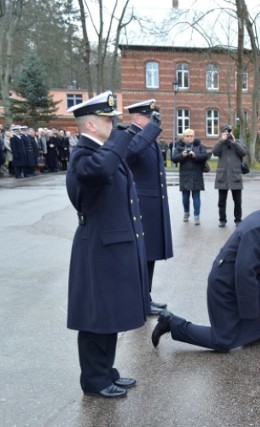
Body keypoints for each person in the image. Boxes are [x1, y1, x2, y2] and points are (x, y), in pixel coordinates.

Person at [66, 91, 162, 398]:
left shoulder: (104, 151)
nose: (115, 124)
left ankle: (107, 371)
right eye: (109, 119)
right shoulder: (84, 156)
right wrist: (124, 137)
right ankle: (94, 380)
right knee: (97, 317)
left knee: (109, 315)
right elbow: (102, 170)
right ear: (91, 126)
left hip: (113, 246)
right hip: (97, 248)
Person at [151, 188, 260, 352]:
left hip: (239, 276)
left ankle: (257, 331)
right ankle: (171, 323)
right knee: (222, 341)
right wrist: (250, 311)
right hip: (225, 284)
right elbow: (244, 272)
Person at [125, 99, 173, 315]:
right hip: (142, 206)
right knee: (141, 256)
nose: (153, 121)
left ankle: (146, 298)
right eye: (149, 117)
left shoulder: (148, 138)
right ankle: (138, 301)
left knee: (150, 254)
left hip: (153, 206)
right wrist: (152, 129)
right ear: (137, 118)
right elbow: (131, 153)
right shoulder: (127, 135)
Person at [171, 128, 210, 225]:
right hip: (185, 174)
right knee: (185, 197)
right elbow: (174, 159)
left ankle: (197, 216)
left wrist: (195, 155)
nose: (189, 138)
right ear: (184, 137)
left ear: (194, 136)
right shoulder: (180, 146)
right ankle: (186, 212)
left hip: (197, 174)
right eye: (187, 136)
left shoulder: (199, 146)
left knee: (196, 197)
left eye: (191, 136)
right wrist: (182, 155)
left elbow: (205, 156)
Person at [213, 124, 247, 227]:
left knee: (237, 201)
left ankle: (238, 220)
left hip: (235, 175)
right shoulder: (220, 144)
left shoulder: (237, 143)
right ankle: (222, 220)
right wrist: (221, 141)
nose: (227, 135)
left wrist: (234, 142)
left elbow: (243, 153)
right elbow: (215, 152)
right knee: (221, 202)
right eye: (225, 133)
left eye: (228, 132)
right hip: (222, 176)